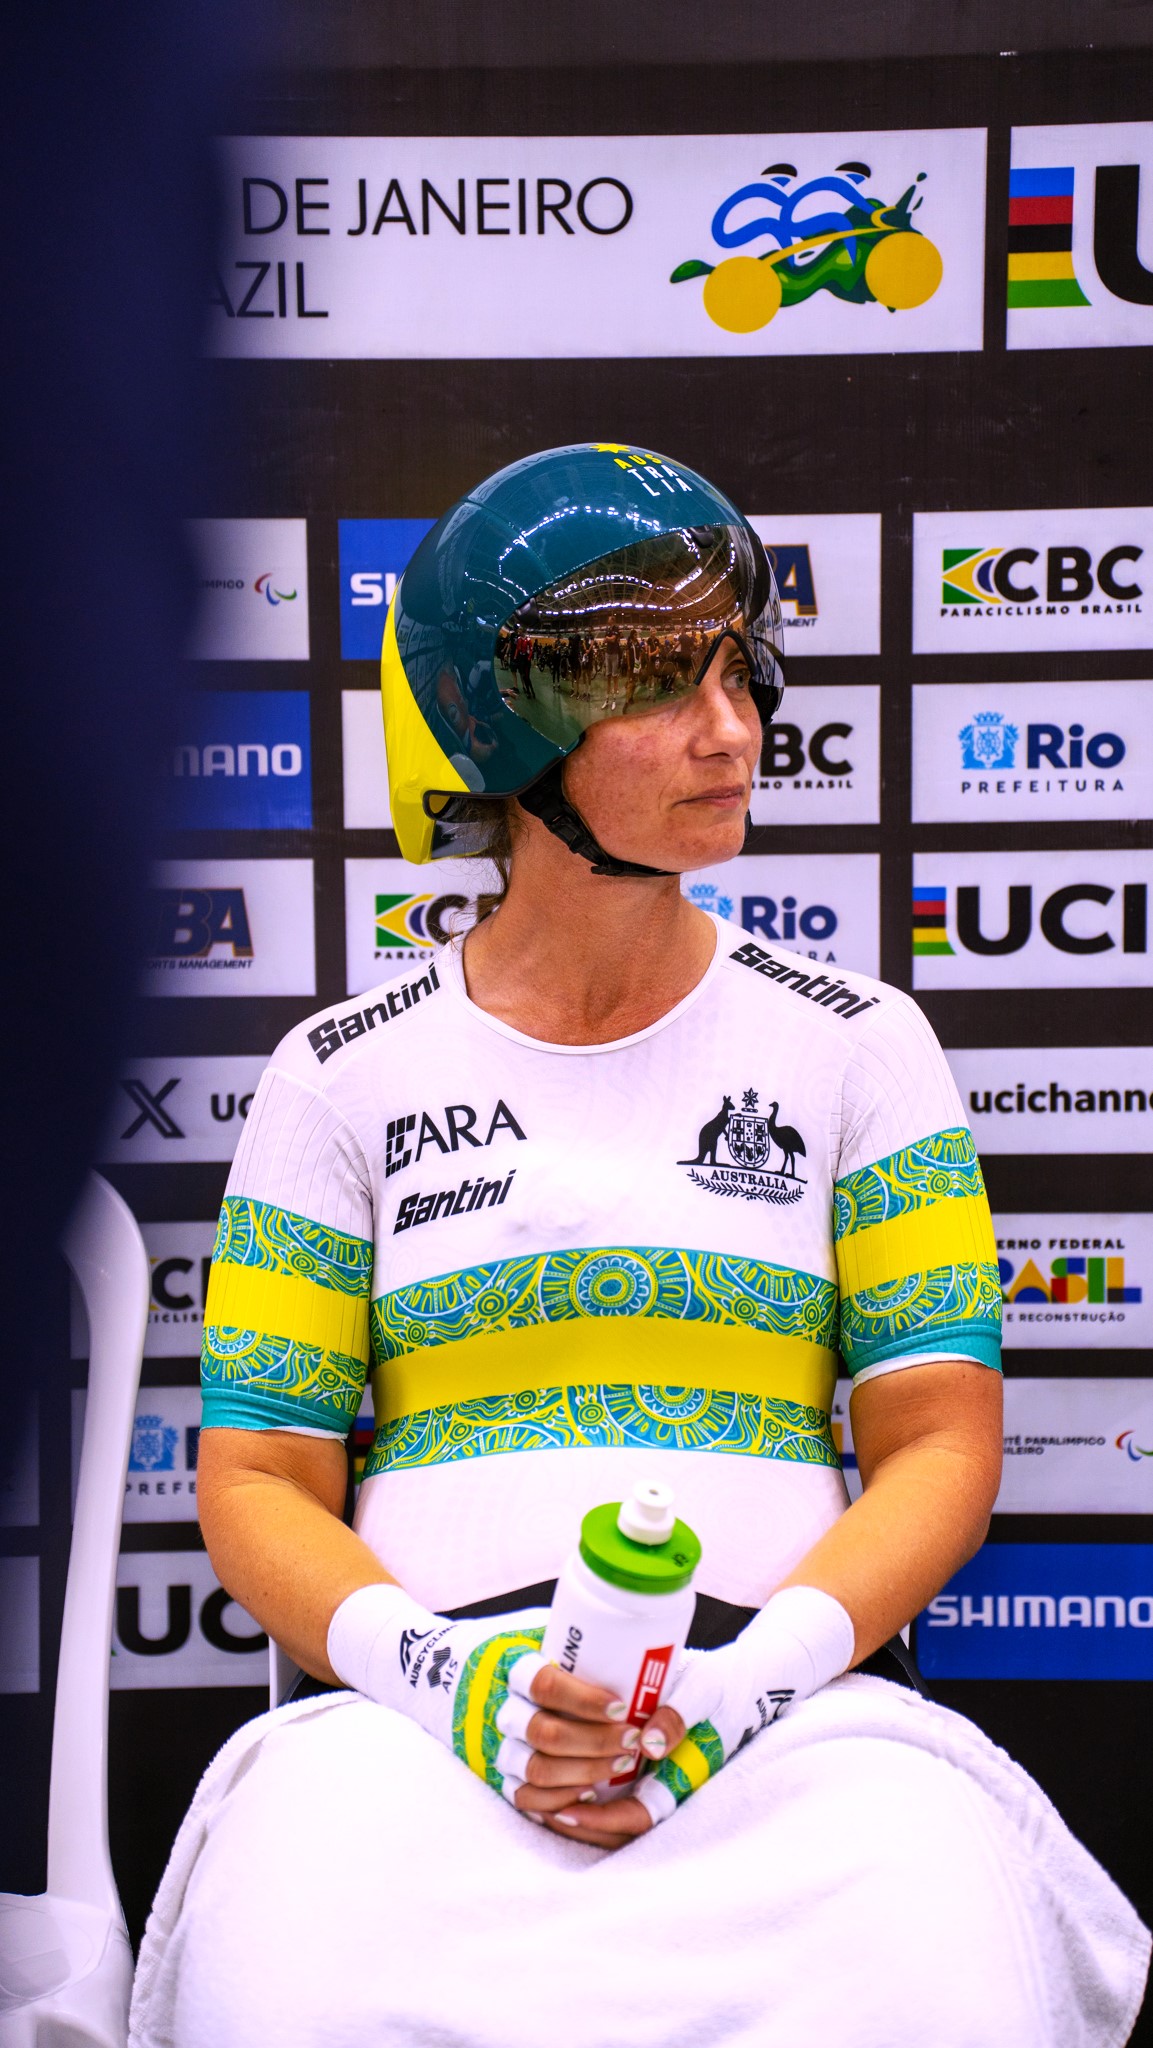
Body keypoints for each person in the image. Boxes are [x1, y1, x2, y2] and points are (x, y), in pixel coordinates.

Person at [130, 444, 1149, 2048]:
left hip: (798, 1734)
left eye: (737, 668)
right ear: (499, 725)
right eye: (653, 681)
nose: (731, 729)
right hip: (412, 1735)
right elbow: (258, 1481)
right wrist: (454, 1693)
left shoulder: (862, 1041)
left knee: (944, 1987)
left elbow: (940, 1442)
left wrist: (748, 1693)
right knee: (278, 1993)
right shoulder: (338, 1073)